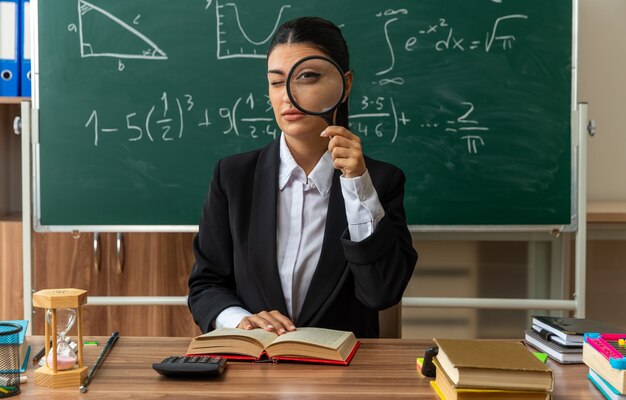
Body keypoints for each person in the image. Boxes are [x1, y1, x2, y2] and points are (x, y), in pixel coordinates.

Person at [188, 16, 417, 338]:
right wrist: (239, 319)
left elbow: (381, 292)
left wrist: (357, 185)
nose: (287, 95)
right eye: (276, 81)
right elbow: (206, 285)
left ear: (344, 84)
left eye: (307, 77)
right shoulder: (233, 177)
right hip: (255, 370)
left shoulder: (380, 182)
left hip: (345, 375)